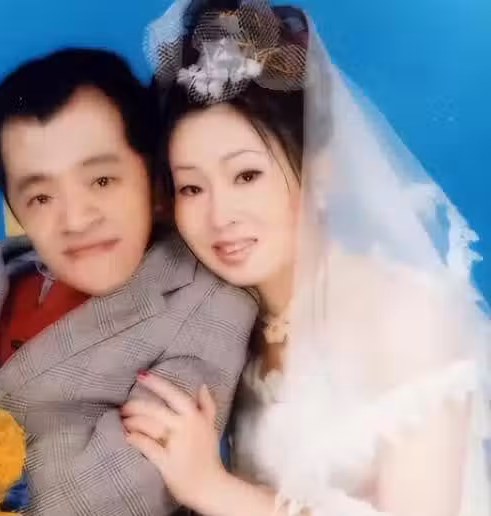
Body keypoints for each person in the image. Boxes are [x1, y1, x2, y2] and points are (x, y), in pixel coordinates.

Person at [121, 1, 491, 515]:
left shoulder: (406, 314)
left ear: (321, 167)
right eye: (191, 187)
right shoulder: (226, 313)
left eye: (247, 175)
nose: (220, 216)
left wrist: (212, 488)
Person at [0, 48, 258, 515]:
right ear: (15, 208)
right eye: (41, 197)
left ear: (154, 179)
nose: (77, 220)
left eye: (102, 181)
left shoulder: (205, 301)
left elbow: (127, 478)